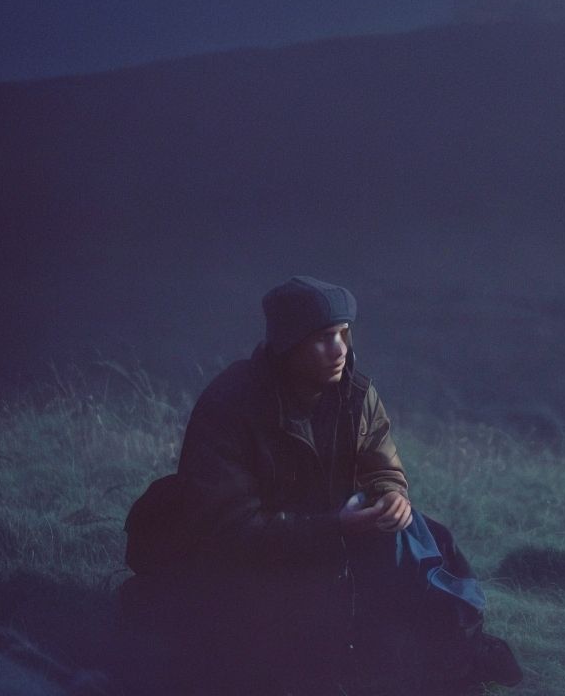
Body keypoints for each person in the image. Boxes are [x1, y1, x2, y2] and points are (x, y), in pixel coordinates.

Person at [119, 275, 521, 696]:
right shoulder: (231, 404)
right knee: (269, 653)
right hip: (250, 557)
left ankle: (449, 654)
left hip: (328, 534)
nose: (340, 349)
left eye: (344, 333)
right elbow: (233, 530)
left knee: (422, 535)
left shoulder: (355, 392)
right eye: (323, 337)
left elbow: (379, 458)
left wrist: (391, 495)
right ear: (288, 343)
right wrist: (335, 527)